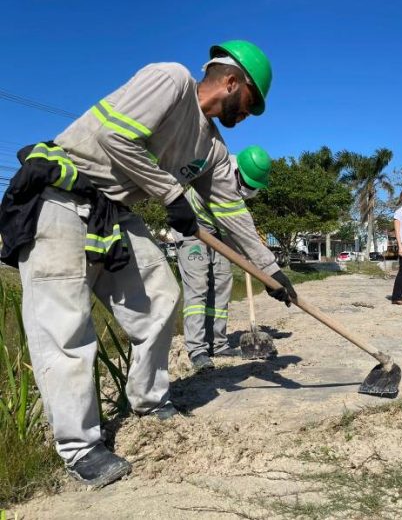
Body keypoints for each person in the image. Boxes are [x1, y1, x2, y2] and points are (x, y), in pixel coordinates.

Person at [0, 40, 297, 487]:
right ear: (233, 82)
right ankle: (80, 447)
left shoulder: (213, 149)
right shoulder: (171, 80)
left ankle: (150, 401)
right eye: (251, 105)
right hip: (61, 198)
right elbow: (113, 137)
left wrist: (270, 269)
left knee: (162, 296)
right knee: (66, 328)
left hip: (112, 212)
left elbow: (232, 210)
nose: (248, 116)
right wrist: (172, 193)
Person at [173, 146, 272, 371]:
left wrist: (259, 265)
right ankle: (197, 350)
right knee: (198, 286)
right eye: (248, 185)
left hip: (216, 233)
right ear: (238, 173)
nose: (250, 190)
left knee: (222, 284)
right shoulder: (216, 174)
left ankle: (217, 343)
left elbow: (240, 228)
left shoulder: (240, 187)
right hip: (192, 230)